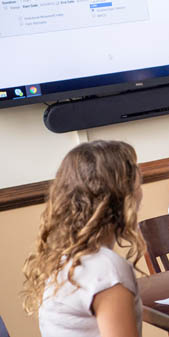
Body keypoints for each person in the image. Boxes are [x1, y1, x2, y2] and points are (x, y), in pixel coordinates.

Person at [22, 140, 146, 337]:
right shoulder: (107, 271)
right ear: (123, 197)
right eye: (139, 184)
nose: (141, 192)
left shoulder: (65, 259)